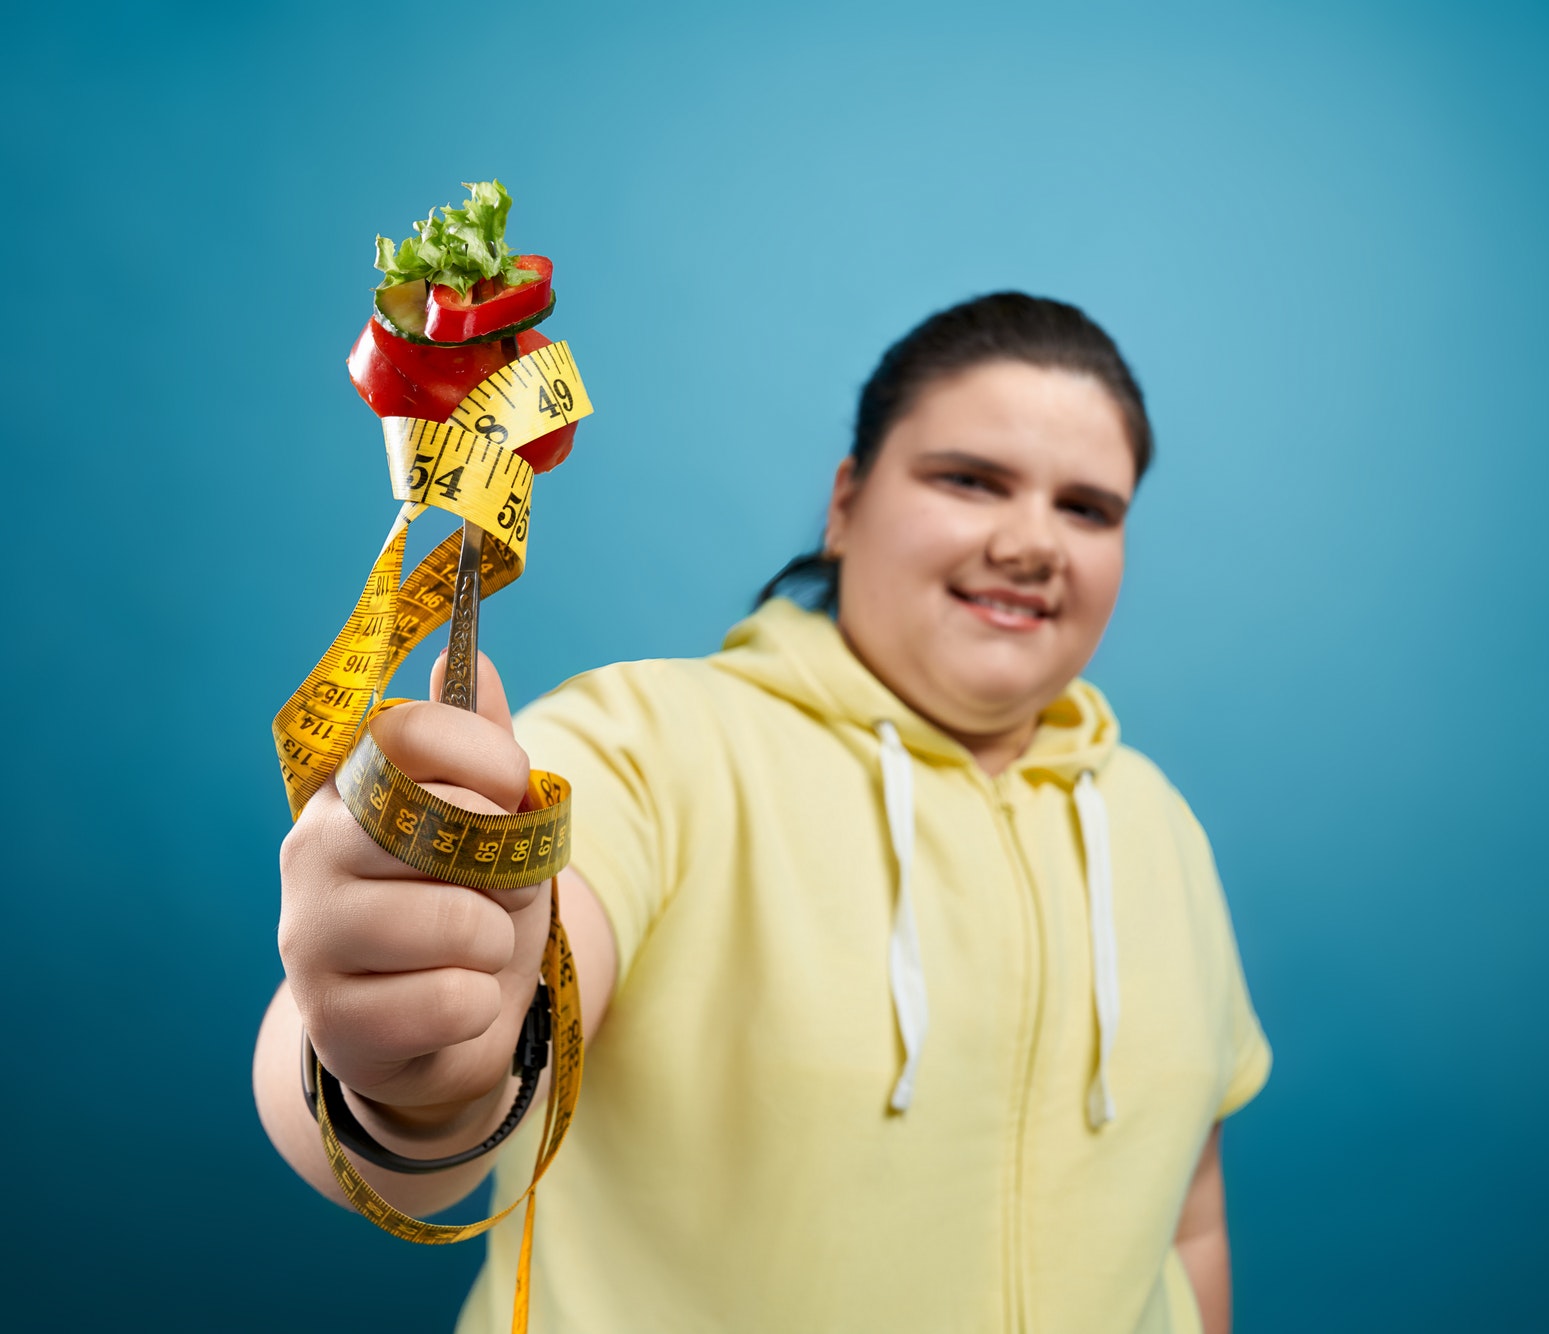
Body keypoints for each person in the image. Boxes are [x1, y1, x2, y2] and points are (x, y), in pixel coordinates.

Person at [254, 293, 1273, 1333]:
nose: (1031, 541)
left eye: (1087, 508)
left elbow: (1185, 1219)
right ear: (845, 503)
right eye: (969, 480)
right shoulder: (640, 746)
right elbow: (417, 1086)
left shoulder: (1156, 826)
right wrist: (412, 1068)